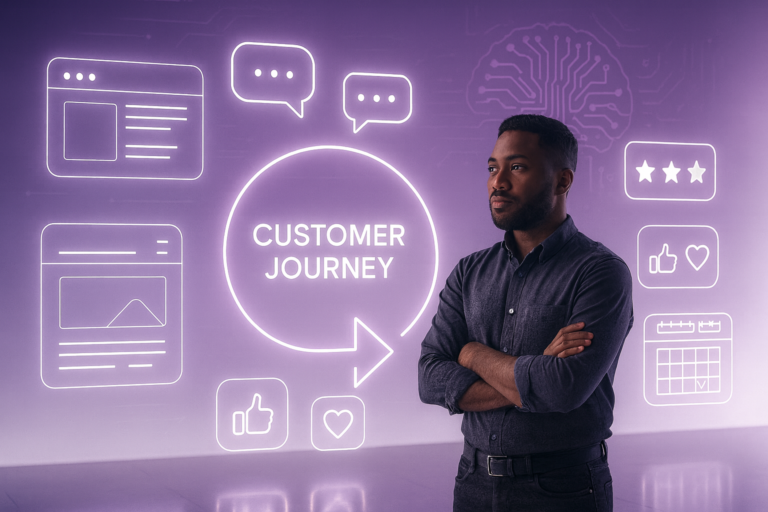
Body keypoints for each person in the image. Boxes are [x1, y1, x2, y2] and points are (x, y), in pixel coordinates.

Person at [418, 114, 633, 512]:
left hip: (563, 489)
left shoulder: (600, 272)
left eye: (517, 167)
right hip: (473, 482)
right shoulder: (469, 272)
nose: (498, 182)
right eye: (492, 168)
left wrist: (472, 354)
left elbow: (563, 388)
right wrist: (530, 377)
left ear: (562, 181)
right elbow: (430, 378)